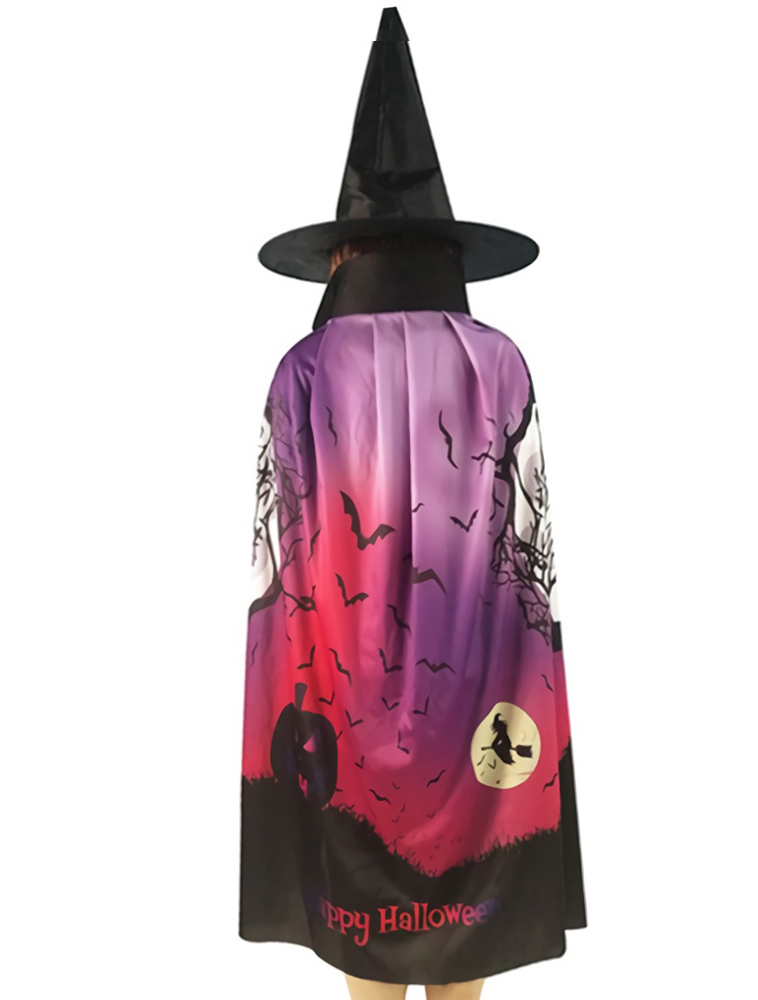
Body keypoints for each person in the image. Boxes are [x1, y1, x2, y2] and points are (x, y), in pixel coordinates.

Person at [239, 8, 586, 992]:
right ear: (445, 248)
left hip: (335, 695)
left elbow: (278, 562)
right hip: (478, 694)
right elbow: (531, 555)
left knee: (360, 901)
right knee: (470, 899)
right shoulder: (501, 362)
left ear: (342, 252)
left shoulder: (302, 370)